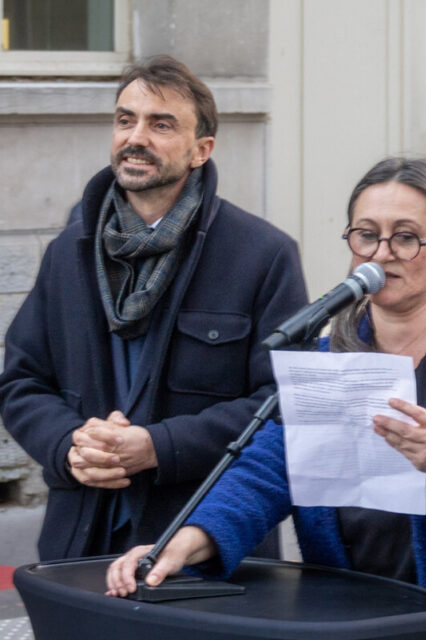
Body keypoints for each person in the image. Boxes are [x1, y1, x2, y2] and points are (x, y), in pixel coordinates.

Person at [106, 156, 426, 640]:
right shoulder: (330, 353)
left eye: (405, 237)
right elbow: (266, 472)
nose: (382, 252)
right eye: (366, 235)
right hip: (359, 617)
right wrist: (186, 542)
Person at [0, 55, 308, 560]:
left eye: (161, 124)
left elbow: (282, 402)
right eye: (126, 120)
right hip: (81, 538)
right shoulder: (68, 253)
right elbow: (21, 381)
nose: (135, 137)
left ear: (200, 150)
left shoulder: (263, 255)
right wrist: (69, 444)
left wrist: (158, 446)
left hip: (202, 547)